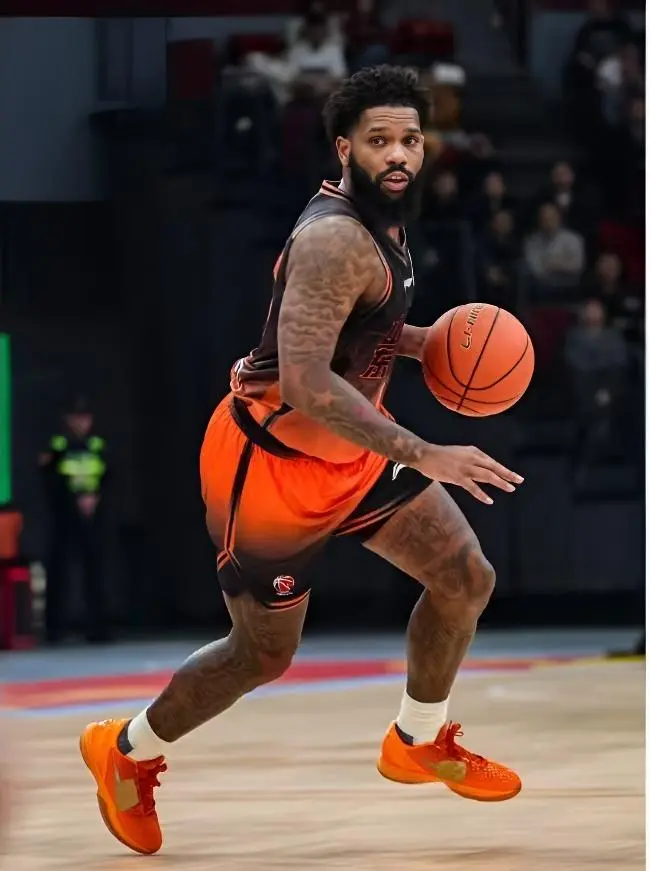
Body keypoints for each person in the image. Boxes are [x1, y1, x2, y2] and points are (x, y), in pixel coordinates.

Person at [79, 66, 523, 856]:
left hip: (352, 450)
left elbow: (359, 331)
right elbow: (307, 383)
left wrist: (429, 344)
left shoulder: (386, 220)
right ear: (344, 147)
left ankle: (417, 738)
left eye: (410, 139)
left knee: (465, 577)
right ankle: (126, 750)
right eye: (380, 140)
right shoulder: (334, 240)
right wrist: (427, 451)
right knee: (263, 654)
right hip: (272, 467)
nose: (398, 154)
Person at [39, 396, 111, 644]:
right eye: (76, 418)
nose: (81, 422)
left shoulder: (97, 446)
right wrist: (75, 500)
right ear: (67, 420)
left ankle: (98, 629)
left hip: (93, 518)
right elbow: (50, 480)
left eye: (85, 417)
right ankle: (54, 630)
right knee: (59, 572)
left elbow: (110, 477)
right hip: (65, 517)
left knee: (95, 572)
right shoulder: (58, 447)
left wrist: (95, 498)